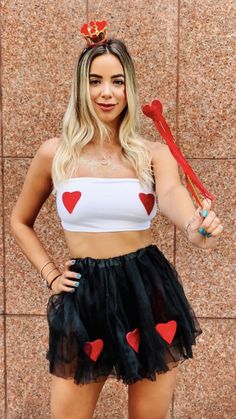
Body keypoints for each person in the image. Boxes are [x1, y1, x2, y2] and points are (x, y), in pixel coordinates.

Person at [10, 21, 223, 419]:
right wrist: (50, 273)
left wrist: (198, 226)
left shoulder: (152, 154)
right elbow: (19, 221)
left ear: (130, 88)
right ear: (80, 87)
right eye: (95, 81)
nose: (106, 92)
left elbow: (175, 199)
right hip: (84, 293)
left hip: (147, 288)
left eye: (117, 81)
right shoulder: (54, 154)